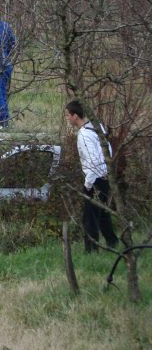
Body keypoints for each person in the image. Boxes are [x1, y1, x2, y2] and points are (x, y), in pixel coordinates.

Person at [65, 100, 119, 252]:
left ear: (75, 116)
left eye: (68, 115)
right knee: (102, 214)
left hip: (95, 179)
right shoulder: (97, 127)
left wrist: (88, 185)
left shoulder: (84, 134)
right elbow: (107, 150)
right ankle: (112, 242)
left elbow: (93, 161)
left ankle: (91, 250)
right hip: (105, 177)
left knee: (89, 218)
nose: (67, 118)